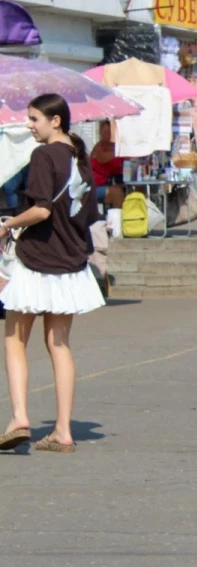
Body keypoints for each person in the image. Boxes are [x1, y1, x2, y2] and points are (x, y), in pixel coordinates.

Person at [0, 93, 106, 454]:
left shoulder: (43, 155)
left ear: (55, 120)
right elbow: (88, 214)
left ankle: (19, 417)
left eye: (34, 119)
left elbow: (41, 210)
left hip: (38, 258)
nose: (29, 126)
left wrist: (8, 225)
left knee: (14, 338)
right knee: (59, 345)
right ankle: (63, 430)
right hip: (70, 260)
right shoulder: (79, 155)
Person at [90, 120, 124, 208]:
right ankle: (117, 219)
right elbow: (103, 158)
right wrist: (120, 151)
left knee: (135, 190)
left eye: (109, 131)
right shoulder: (98, 148)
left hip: (114, 182)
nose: (106, 134)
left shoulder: (115, 146)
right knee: (117, 192)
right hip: (95, 187)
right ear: (100, 132)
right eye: (104, 131)